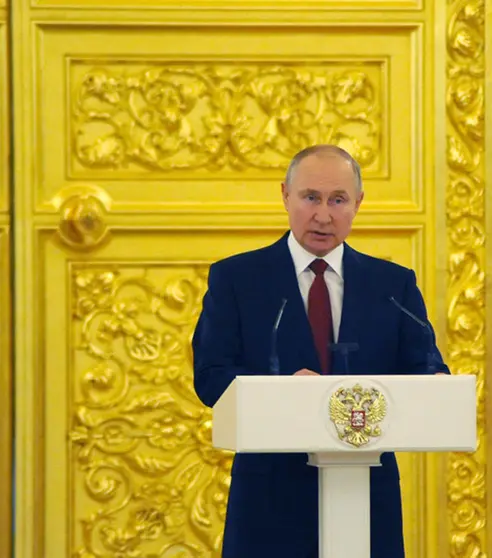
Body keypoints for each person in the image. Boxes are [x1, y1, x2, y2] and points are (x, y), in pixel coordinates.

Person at [192, 144, 450, 558]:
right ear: (285, 195)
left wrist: (436, 381)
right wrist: (282, 389)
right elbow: (210, 376)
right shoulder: (237, 279)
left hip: (367, 494)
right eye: (310, 197)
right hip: (269, 498)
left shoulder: (393, 285)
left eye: (338, 200)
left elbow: (425, 366)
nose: (323, 215)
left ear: (358, 203)